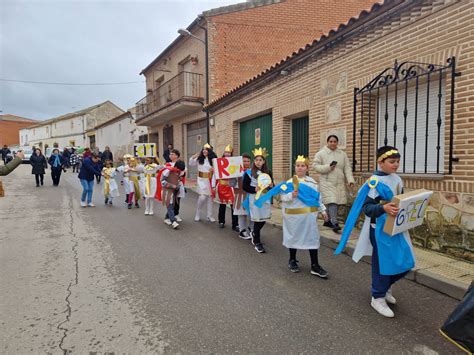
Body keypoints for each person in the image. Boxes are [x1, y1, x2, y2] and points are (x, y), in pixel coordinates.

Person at [335, 146, 415, 318]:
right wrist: (383, 207)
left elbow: (401, 201)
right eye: (392, 162)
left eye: (398, 161)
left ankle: (385, 287)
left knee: (406, 261)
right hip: (378, 229)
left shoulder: (397, 179)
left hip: (396, 227)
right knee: (382, 263)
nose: (396, 165)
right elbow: (367, 208)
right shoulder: (374, 182)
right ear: (380, 162)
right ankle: (377, 296)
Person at [266, 156, 329, 277]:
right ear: (295, 168)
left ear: (307, 168)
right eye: (298, 165)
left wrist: (323, 211)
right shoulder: (288, 184)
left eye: (303, 166)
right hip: (293, 218)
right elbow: (282, 198)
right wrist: (291, 195)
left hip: (309, 217)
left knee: (312, 239)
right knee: (293, 238)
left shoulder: (312, 183)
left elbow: (317, 199)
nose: (300, 168)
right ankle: (292, 260)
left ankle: (315, 265)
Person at [312, 135, 355, 233]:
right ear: (327, 142)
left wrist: (350, 180)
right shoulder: (321, 153)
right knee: (332, 201)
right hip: (326, 181)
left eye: (335, 141)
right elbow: (315, 166)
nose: (333, 143)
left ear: (337, 142)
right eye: (331, 141)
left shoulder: (342, 154)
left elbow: (347, 168)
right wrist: (328, 167)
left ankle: (327, 221)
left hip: (339, 182)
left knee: (331, 202)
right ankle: (334, 222)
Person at [242, 147, 273, 254]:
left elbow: (270, 187)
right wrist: (253, 189)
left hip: (265, 199)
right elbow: (245, 187)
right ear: (254, 162)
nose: (258, 162)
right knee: (257, 219)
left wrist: (271, 186)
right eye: (256, 160)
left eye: (260, 160)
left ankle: (255, 233)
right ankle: (257, 242)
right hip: (254, 198)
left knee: (264, 218)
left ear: (264, 161)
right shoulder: (248, 173)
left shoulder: (268, 172)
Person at [189, 144, 216, 222]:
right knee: (202, 197)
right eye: (203, 149)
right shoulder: (199, 158)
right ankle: (198, 212)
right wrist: (193, 156)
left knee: (210, 198)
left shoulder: (213, 159)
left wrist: (214, 170)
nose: (204, 151)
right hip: (201, 180)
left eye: (206, 149)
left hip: (210, 180)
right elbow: (191, 163)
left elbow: (217, 169)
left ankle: (209, 215)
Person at [157, 160, 186, 229]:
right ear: (175, 166)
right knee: (170, 206)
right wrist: (173, 186)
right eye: (179, 169)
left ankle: (167, 218)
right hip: (166, 191)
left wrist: (179, 186)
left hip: (174, 191)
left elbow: (178, 180)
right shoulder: (167, 171)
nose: (180, 171)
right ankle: (173, 222)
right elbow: (162, 181)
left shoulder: (179, 172)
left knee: (172, 206)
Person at [216, 145, 239, 230]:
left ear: (231, 153)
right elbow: (216, 174)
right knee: (222, 205)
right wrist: (214, 186)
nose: (227, 154)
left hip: (231, 186)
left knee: (233, 205)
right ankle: (221, 221)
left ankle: (235, 224)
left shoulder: (234, 162)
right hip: (222, 186)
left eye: (229, 152)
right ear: (224, 153)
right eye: (226, 152)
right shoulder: (219, 162)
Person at [233, 153, 253, 240]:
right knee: (242, 214)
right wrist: (233, 178)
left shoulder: (253, 171)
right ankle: (242, 230)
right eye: (244, 161)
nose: (246, 163)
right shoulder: (236, 171)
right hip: (240, 195)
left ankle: (252, 229)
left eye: (248, 161)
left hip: (251, 195)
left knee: (253, 214)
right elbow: (232, 184)